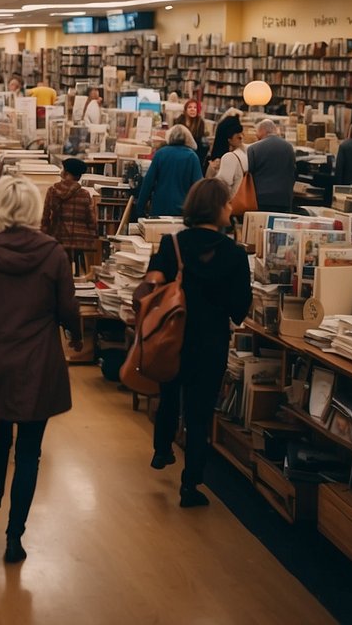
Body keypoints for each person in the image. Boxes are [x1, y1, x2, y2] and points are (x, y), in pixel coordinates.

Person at [0, 176, 81, 564]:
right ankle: (14, 536)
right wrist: (74, 335)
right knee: (29, 453)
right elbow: (68, 307)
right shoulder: (53, 252)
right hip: (38, 362)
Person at [148, 178, 251, 507]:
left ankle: (162, 450)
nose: (231, 207)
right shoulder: (235, 255)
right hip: (211, 344)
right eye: (227, 203)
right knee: (199, 415)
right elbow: (239, 311)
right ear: (217, 208)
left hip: (172, 338)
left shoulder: (172, 245)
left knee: (168, 395)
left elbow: (151, 290)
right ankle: (190, 485)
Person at [41, 158, 98, 277]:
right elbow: (90, 219)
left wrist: (44, 235)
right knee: (78, 264)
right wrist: (93, 235)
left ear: (66, 173)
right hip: (79, 241)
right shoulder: (85, 194)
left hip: (58, 237)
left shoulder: (52, 191)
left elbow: (45, 217)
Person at [136, 125, 202, 218]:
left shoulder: (160, 154)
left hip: (159, 210)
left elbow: (148, 182)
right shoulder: (192, 157)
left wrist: (140, 208)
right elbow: (199, 187)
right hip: (183, 211)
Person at [246, 118, 297, 213]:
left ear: (262, 131)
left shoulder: (253, 148)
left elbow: (249, 174)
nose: (257, 136)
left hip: (260, 199)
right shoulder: (289, 147)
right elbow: (293, 171)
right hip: (284, 199)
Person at [207, 114, 248, 197]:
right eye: (238, 137)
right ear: (229, 139)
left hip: (227, 203)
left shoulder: (230, 157)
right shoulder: (238, 155)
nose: (241, 138)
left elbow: (219, 187)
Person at [176, 99, 208, 166]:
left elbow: (200, 141)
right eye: (190, 107)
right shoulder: (179, 121)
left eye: (195, 107)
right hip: (180, 153)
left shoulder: (200, 122)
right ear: (185, 109)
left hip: (194, 154)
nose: (192, 109)